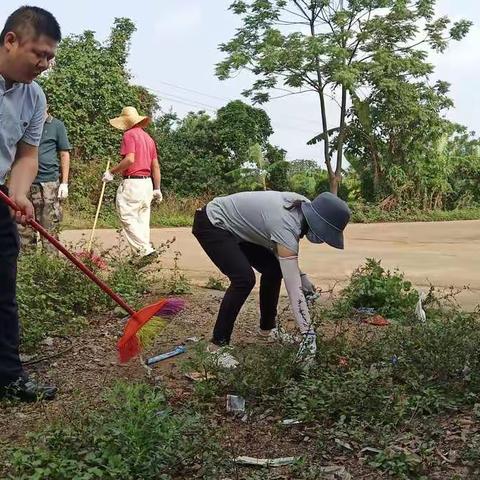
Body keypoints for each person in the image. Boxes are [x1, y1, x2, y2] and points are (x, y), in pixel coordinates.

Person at [192, 190, 350, 365]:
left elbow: (280, 253)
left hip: (238, 230)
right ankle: (216, 347)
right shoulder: (286, 222)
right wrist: (308, 335)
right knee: (243, 279)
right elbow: (294, 290)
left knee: (274, 270)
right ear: (318, 224)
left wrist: (302, 276)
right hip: (212, 223)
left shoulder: (302, 208)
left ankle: (267, 330)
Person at [0, 6, 61, 401]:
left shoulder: (33, 96)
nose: (43, 63)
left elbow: (26, 155)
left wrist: (19, 193)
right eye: (38, 53)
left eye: (50, 57)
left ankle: (8, 375)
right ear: (10, 41)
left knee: (3, 290)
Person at [103, 106, 162, 263]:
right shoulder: (149, 139)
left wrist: (111, 172)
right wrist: (157, 188)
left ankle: (144, 250)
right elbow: (155, 165)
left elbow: (130, 159)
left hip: (132, 182)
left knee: (127, 215)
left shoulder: (129, 135)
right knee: (142, 219)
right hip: (147, 183)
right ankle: (140, 253)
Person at [19, 105, 71, 253]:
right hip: (26, 182)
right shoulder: (25, 125)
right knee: (25, 226)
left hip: (48, 183)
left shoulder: (56, 125)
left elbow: (64, 154)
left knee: (49, 227)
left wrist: (64, 183)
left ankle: (49, 268)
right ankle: (28, 265)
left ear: (46, 106)